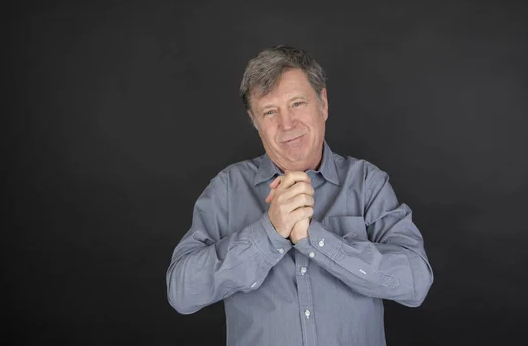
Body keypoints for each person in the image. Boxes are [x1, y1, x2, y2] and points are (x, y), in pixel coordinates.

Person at [166, 45, 434, 346]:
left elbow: (415, 283)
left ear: (323, 103)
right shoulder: (226, 189)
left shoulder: (366, 182)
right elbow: (182, 293)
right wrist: (270, 232)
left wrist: (316, 241)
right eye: (270, 112)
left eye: (297, 104)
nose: (287, 124)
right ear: (255, 122)